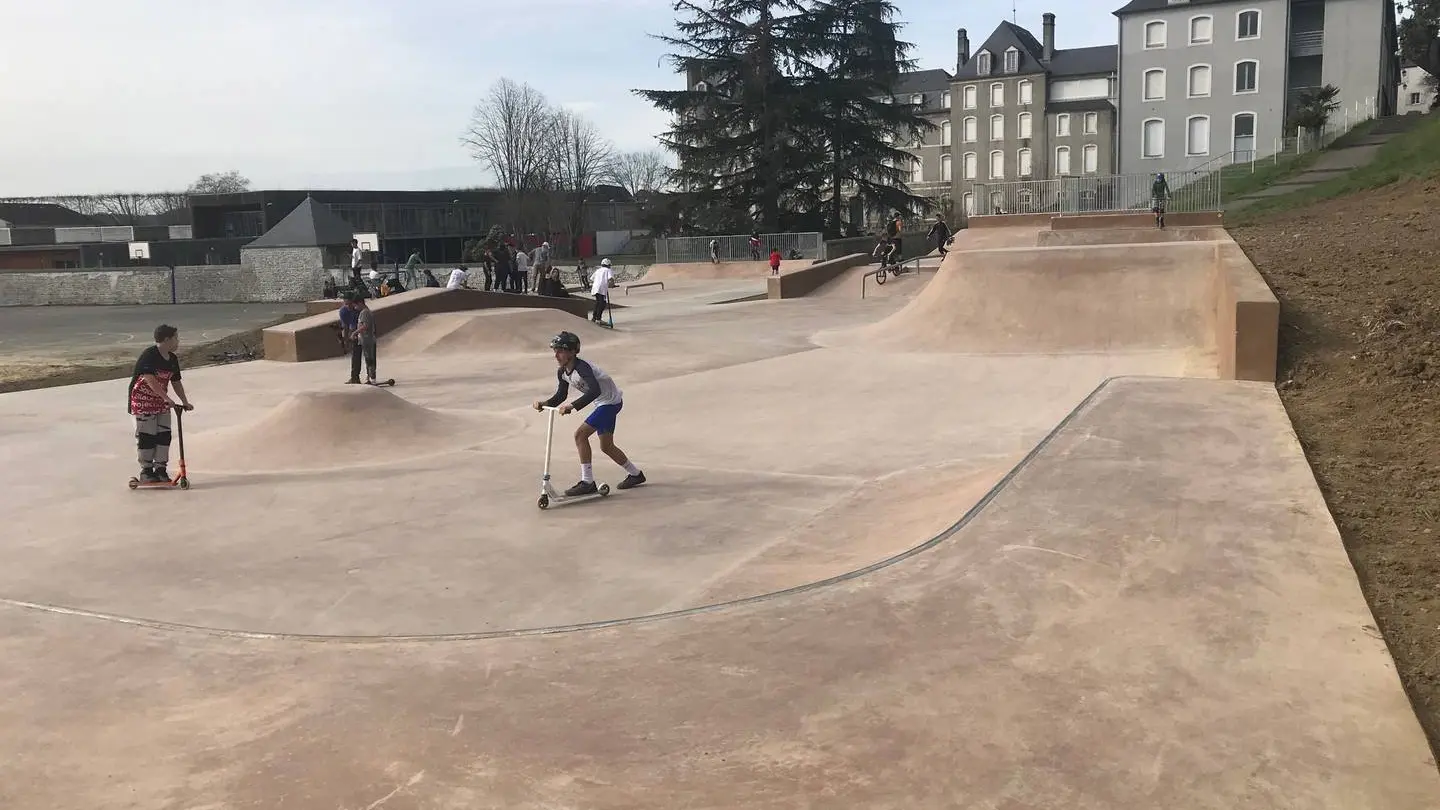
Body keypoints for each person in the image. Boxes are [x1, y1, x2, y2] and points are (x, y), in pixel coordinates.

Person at [532, 330, 646, 495]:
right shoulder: (562, 371)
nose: (556, 355)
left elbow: (595, 391)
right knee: (606, 446)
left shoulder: (583, 368)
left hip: (609, 403)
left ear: (572, 352)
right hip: (603, 403)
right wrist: (545, 404)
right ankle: (636, 475)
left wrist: (572, 406)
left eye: (561, 351)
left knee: (580, 435)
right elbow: (561, 395)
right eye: (555, 351)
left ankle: (587, 482)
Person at [126, 324, 194, 484]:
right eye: (176, 338)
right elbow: (149, 379)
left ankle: (161, 469)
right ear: (166, 339)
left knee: (164, 435)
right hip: (142, 401)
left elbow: (176, 382)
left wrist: (184, 402)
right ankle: (147, 471)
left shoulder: (172, 359)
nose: (178, 342)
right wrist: (165, 398)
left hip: (161, 400)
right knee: (147, 436)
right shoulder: (150, 355)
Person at [342, 292, 379, 384]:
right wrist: (346, 339)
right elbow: (345, 326)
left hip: (366, 338)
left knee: (369, 359)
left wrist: (355, 332)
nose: (350, 307)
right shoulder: (344, 311)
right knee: (356, 357)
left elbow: (366, 325)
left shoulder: (364, 311)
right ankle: (355, 377)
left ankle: (370, 378)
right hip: (360, 338)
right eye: (346, 304)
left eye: (350, 304)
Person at [589, 257, 614, 324]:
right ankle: (598, 319)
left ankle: (594, 318)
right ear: (608, 265)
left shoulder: (598, 270)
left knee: (598, 302)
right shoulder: (608, 270)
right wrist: (612, 285)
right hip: (601, 289)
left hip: (595, 288)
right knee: (602, 303)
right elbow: (611, 279)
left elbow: (592, 278)